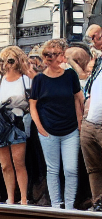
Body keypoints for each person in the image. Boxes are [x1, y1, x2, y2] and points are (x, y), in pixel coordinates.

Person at [29, 38, 84, 210]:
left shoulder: (70, 75)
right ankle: (55, 205)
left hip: (70, 129)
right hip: (48, 130)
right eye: (59, 54)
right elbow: (33, 105)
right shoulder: (39, 79)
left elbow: (78, 98)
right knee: (52, 170)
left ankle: (69, 206)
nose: (62, 57)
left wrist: (80, 122)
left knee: (71, 169)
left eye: (61, 53)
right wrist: (39, 127)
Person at [0, 46, 33, 205]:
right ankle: (11, 198)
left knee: (19, 162)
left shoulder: (25, 79)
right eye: (3, 60)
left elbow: (31, 102)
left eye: (11, 60)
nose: (7, 64)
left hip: (17, 123)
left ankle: (24, 199)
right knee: (5, 165)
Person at [80, 32, 102, 203]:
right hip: (90, 123)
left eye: (98, 36)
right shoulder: (99, 63)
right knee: (93, 169)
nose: (95, 39)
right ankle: (98, 203)